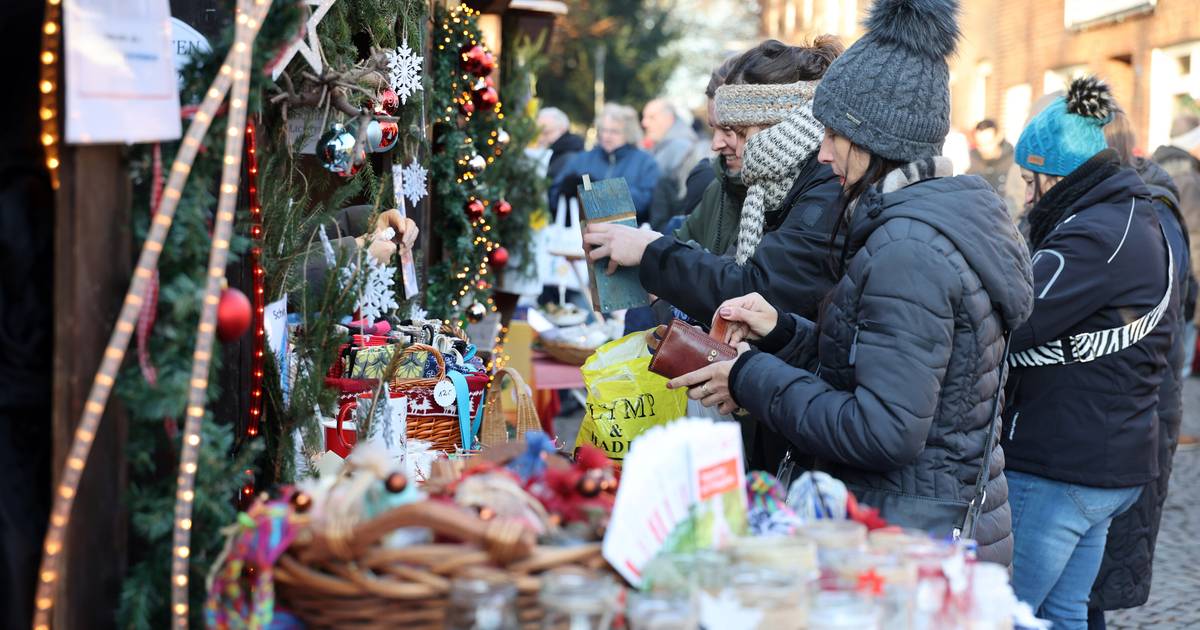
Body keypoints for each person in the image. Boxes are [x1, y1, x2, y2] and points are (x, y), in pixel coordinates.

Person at [663, 0, 1034, 565]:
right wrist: (782, 331)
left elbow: (881, 429)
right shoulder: (918, 226)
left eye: (834, 135)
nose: (822, 151)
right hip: (909, 520)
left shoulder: (908, 251)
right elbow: (881, 366)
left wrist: (747, 374)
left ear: (874, 143)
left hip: (905, 540)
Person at [1000, 77, 1172, 630]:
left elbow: (1014, 320)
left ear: (1056, 175)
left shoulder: (1093, 234)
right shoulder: (1128, 215)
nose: (1027, 197)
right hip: (1105, 458)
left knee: (1009, 612)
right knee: (1064, 612)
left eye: (1032, 182)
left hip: (1063, 465)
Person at [584, 38, 843, 322]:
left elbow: (759, 292)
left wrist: (651, 252)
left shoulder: (827, 187)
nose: (721, 145)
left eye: (738, 132)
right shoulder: (773, 187)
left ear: (783, 128)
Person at [1086, 109, 1192, 629]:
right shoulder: (1135, 207)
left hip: (1129, 417)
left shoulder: (1144, 216)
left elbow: (1149, 325)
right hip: (1125, 415)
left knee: (1089, 588)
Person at [548, 103, 660, 221]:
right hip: (582, 233)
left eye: (614, 131)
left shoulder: (645, 162)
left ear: (628, 133)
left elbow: (645, 200)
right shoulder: (582, 159)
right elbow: (554, 194)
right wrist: (567, 193)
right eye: (603, 130)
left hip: (627, 234)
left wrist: (601, 193)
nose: (607, 136)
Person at [1153, 114, 1200, 383]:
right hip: (1184, 285)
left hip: (1159, 279)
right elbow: (1195, 241)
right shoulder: (1189, 179)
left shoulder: (1155, 164)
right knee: (1175, 373)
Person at [643, 99, 701, 229]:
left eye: (651, 117)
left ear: (668, 119)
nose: (644, 123)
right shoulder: (673, 144)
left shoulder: (679, 146)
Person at [536, 107, 585, 192]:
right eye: (538, 133)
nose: (541, 138)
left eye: (546, 133)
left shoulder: (572, 157)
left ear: (563, 129)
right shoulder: (557, 153)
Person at [969, 119, 1016, 202]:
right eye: (980, 144)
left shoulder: (1013, 161)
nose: (984, 148)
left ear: (998, 137)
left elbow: (1017, 197)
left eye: (988, 143)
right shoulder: (971, 160)